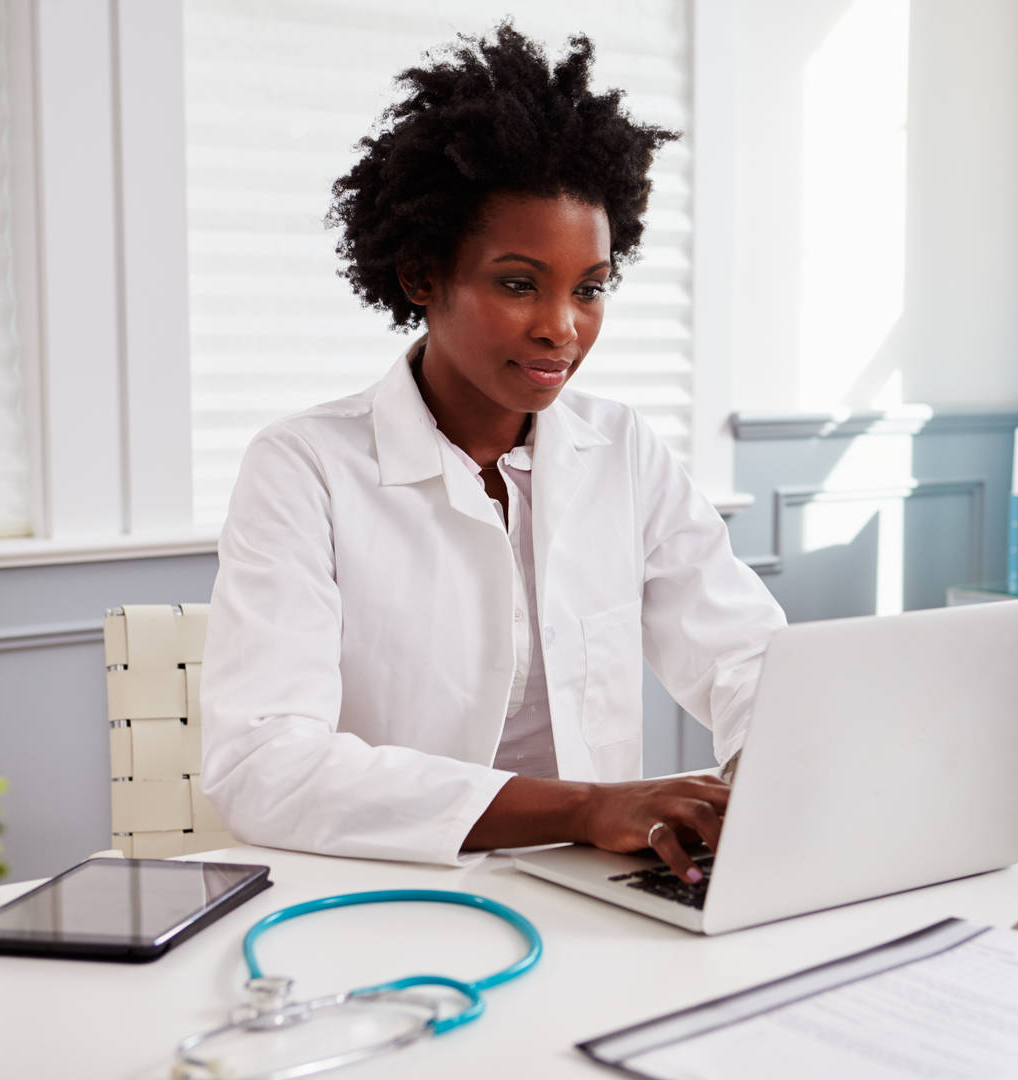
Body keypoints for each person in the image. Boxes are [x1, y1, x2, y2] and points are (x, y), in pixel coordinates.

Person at [199, 24, 786, 885]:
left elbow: (744, 659)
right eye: (519, 284)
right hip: (390, 893)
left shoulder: (622, 450)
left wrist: (781, 781)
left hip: (601, 890)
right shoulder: (303, 469)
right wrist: (587, 806)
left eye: (589, 289)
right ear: (420, 276)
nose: (562, 326)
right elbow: (264, 766)